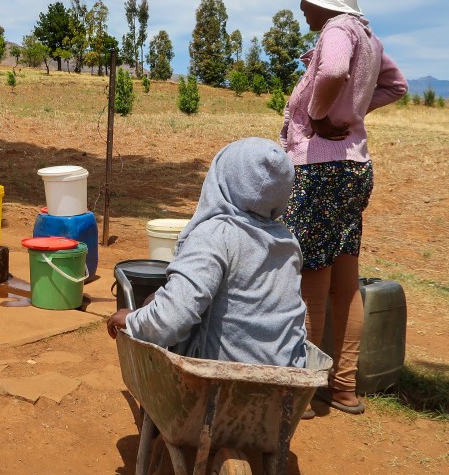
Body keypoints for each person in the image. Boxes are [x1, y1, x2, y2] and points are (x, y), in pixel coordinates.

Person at [280, 0, 408, 414]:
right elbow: (397, 85)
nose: (301, 8)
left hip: (321, 172)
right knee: (345, 282)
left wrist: (319, 116)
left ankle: (307, 389)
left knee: (311, 282)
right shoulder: (369, 37)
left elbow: (333, 72)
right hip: (355, 169)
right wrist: (351, 113)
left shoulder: (336, 31)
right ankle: (345, 388)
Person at [107, 137, 308, 369]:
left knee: (158, 305)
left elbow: (172, 319)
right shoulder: (286, 240)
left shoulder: (215, 235)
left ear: (223, 178)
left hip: (223, 378)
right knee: (158, 300)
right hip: (288, 374)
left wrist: (134, 321)